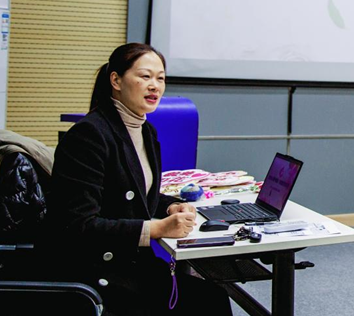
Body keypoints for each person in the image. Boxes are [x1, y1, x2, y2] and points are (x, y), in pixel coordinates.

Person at [47, 43, 232, 316]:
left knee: (212, 297)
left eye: (161, 78)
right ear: (116, 81)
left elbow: (136, 191)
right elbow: (79, 226)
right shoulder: (88, 136)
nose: (155, 86)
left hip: (130, 265)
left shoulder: (146, 131)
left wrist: (170, 206)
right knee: (207, 302)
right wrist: (156, 229)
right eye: (145, 76)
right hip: (96, 274)